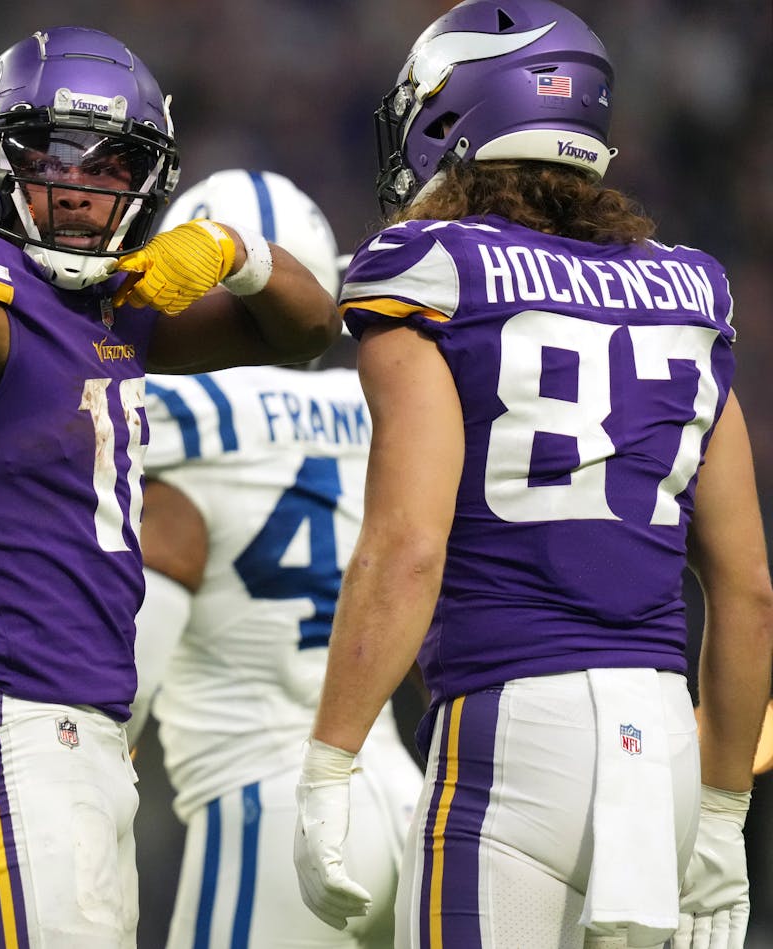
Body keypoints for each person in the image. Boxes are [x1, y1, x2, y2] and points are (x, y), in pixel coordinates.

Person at [0, 25, 340, 948]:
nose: (83, 189)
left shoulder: (116, 310)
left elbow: (303, 332)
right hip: (8, 713)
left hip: (83, 729)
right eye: (53, 155)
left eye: (113, 165)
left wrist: (233, 250)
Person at [290, 2, 773, 947]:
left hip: (513, 728)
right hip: (666, 737)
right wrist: (721, 811)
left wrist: (331, 759)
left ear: (452, 121)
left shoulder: (429, 268)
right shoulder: (687, 290)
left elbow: (407, 546)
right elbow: (749, 590)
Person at [130, 168, 423, 949]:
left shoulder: (172, 414)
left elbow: (139, 641)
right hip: (400, 795)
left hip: (265, 809)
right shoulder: (380, 406)